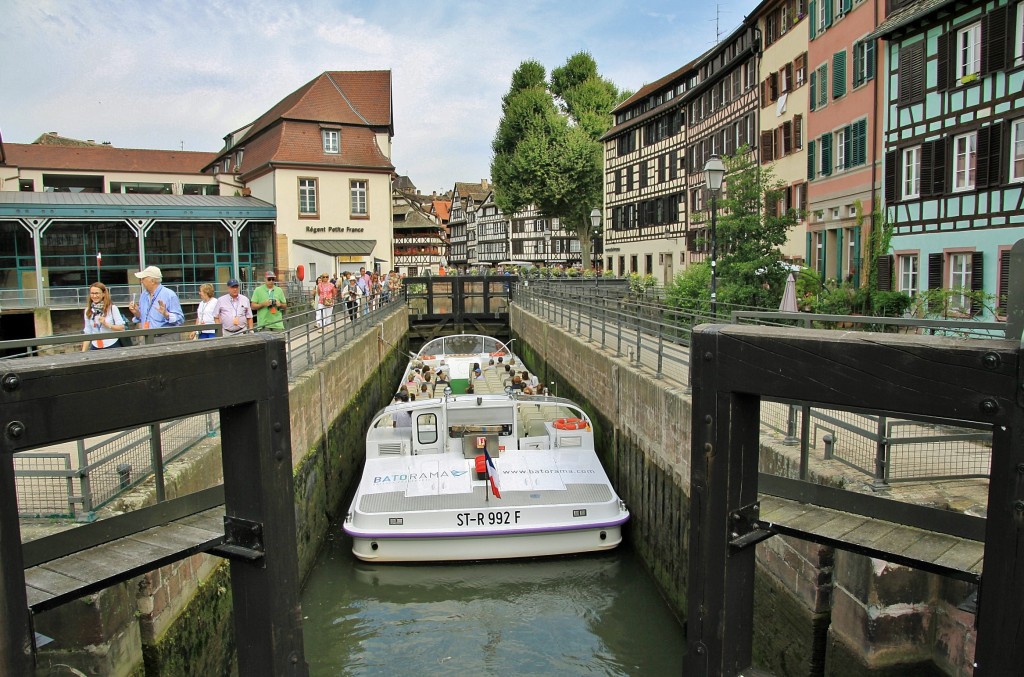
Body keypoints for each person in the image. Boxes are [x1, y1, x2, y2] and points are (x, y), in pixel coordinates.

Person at [128, 265, 184, 343]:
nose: (141, 281)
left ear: (152, 281)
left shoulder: (169, 295)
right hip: (147, 337)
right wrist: (137, 312)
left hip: (166, 337)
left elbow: (180, 319)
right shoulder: (143, 295)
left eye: (143, 279)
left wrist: (166, 314)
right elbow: (143, 317)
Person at [82, 282, 126, 351]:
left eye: (97, 293)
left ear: (103, 294)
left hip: (112, 344)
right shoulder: (88, 310)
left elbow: (121, 328)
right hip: (95, 345)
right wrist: (83, 352)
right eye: (92, 293)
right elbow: (87, 332)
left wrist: (106, 324)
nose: (94, 296)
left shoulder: (112, 308)